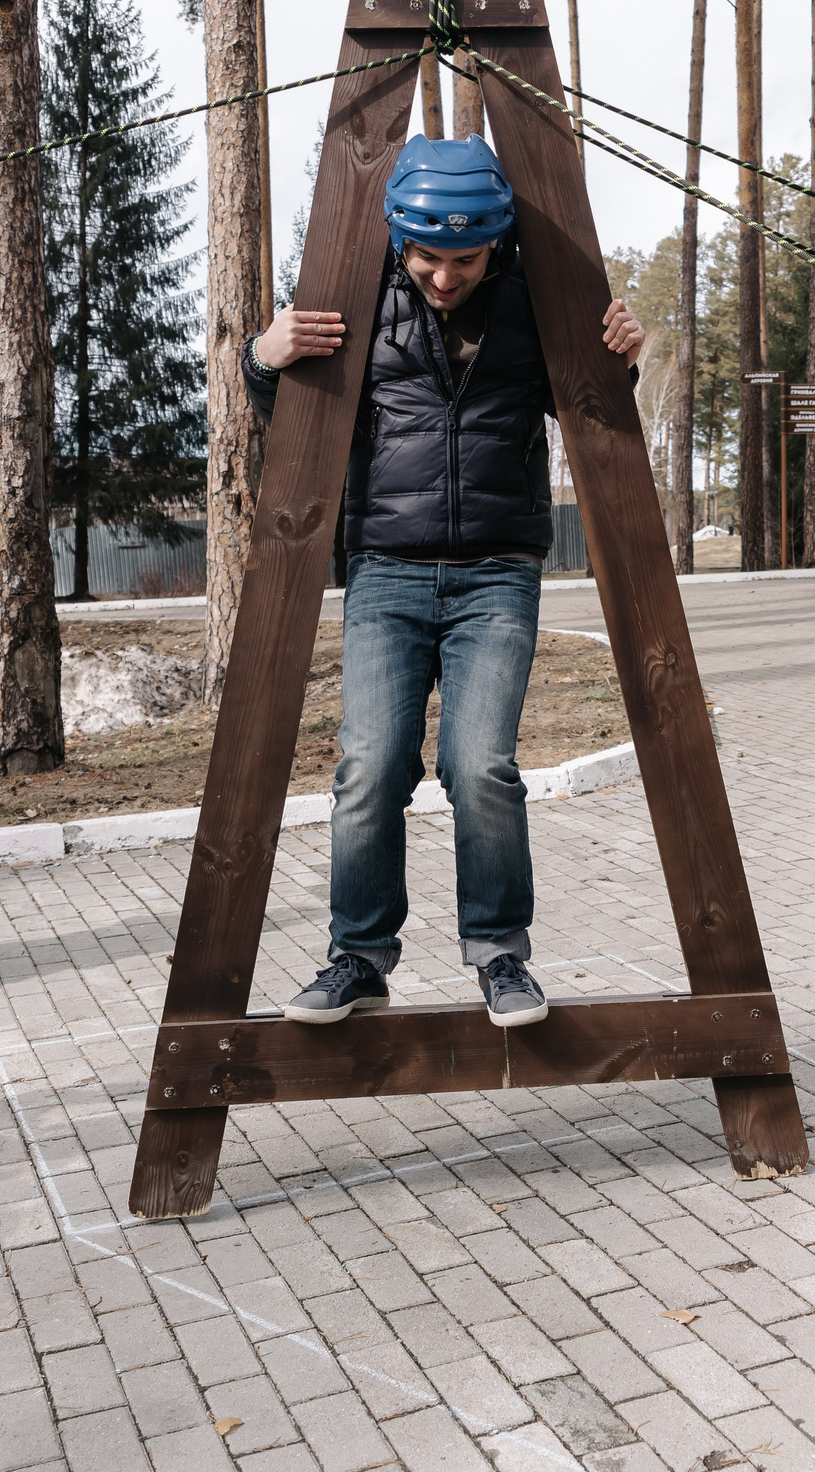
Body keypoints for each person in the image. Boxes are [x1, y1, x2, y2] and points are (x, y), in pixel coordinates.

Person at [244, 134, 644, 1028]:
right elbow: (293, 412)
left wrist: (622, 353)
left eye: (463, 258)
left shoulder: (534, 311)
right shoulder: (359, 304)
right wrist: (261, 358)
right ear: (398, 239)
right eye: (427, 256)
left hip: (497, 574)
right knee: (369, 766)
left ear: (495, 242)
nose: (444, 275)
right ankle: (359, 955)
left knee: (481, 765)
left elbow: (596, 400)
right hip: (385, 570)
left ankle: (500, 954)